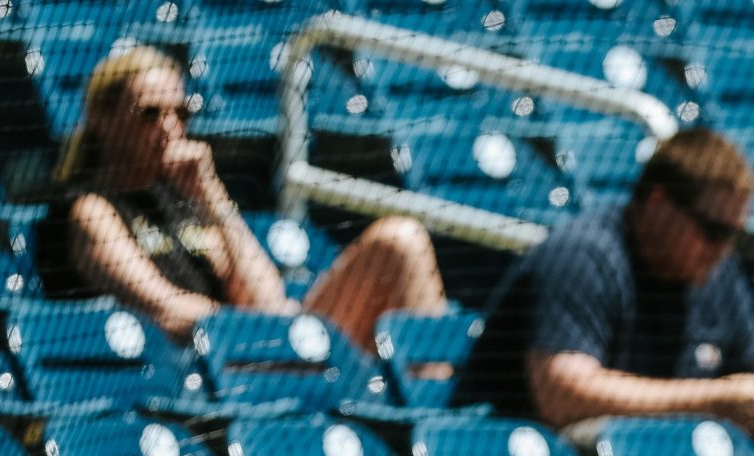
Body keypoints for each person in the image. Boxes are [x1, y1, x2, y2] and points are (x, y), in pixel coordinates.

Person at [35, 42, 446, 346]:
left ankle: (428, 417)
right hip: (190, 366)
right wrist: (256, 329)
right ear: (102, 119)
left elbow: (265, 300)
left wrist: (211, 194)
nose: (169, 127)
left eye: (181, 113)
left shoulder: (183, 199)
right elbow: (164, 309)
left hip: (247, 349)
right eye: (149, 114)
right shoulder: (91, 209)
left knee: (400, 241)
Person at [450, 127, 754, 436]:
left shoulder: (716, 270)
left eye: (735, 237)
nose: (723, 249)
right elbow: (562, 395)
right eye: (713, 231)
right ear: (659, 203)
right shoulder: (583, 255)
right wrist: (714, 399)